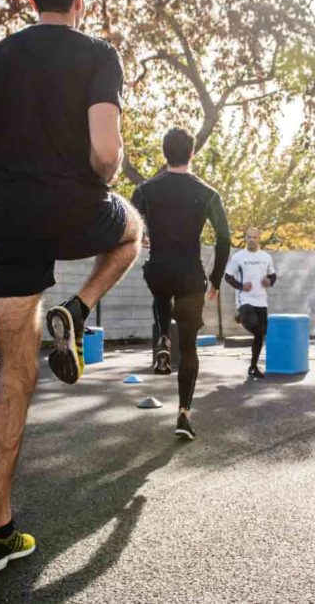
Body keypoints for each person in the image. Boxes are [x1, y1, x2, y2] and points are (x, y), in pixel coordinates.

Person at [0, 0, 142, 573]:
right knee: (132, 231)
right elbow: (106, 152)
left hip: (9, 225)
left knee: (13, 380)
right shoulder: (98, 55)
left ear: (30, 0)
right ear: (80, 1)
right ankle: (78, 307)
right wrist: (107, 171)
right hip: (78, 213)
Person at [132, 128, 231, 440]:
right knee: (189, 347)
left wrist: (142, 237)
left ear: (164, 153)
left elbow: (128, 225)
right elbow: (225, 238)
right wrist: (215, 280)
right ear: (192, 153)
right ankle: (184, 414)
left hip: (158, 269)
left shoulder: (146, 190)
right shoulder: (208, 193)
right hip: (190, 276)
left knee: (161, 292)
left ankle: (162, 336)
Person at [224, 227, 276, 378]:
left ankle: (253, 367)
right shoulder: (238, 257)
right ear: (245, 239)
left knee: (261, 334)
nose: (251, 240)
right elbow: (228, 277)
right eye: (249, 237)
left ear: (259, 238)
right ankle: (241, 315)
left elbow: (273, 276)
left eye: (254, 237)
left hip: (261, 300)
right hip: (245, 299)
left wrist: (269, 281)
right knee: (254, 325)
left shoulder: (266, 257)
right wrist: (241, 286)